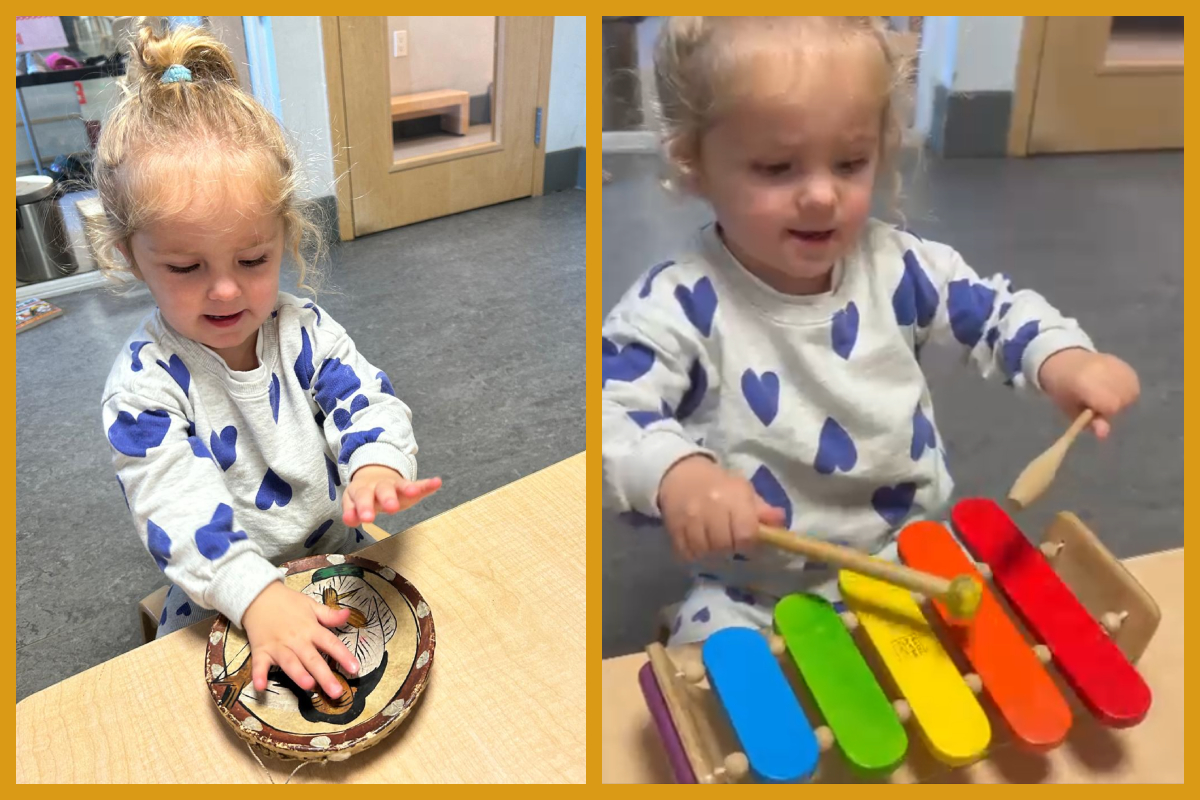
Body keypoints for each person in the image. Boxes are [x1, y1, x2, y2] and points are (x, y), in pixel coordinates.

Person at [601, 17, 1139, 645]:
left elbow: (994, 310)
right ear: (693, 163)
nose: (823, 196)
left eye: (851, 162)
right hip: (756, 586)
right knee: (719, 671)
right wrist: (679, 476)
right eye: (778, 168)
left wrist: (1065, 359)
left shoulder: (899, 265)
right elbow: (612, 412)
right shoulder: (676, 306)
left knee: (1000, 646)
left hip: (906, 556)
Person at [96, 20, 441, 700]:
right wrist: (257, 598)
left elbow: (364, 399)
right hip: (223, 594)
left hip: (332, 559)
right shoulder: (140, 392)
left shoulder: (302, 329)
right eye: (187, 266)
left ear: (286, 235)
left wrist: (376, 462)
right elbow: (178, 509)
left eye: (252, 259)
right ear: (130, 254)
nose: (225, 289)